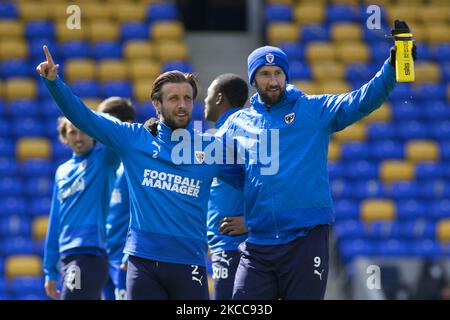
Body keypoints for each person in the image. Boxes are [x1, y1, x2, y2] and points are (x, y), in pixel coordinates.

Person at [215, 21, 417, 300]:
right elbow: (213, 163)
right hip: (259, 244)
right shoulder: (238, 123)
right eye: (264, 74)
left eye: (277, 73)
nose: (272, 81)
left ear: (285, 75)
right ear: (253, 79)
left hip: (305, 240)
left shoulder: (313, 109)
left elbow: (361, 101)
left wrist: (392, 68)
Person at [36, 46, 242, 300]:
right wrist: (54, 83)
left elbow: (256, 183)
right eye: (174, 98)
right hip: (143, 265)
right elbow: (85, 118)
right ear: (157, 104)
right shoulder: (135, 139)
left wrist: (251, 222)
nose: (182, 105)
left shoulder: (212, 149)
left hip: (190, 265)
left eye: (188, 98)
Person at [43, 116, 120, 300]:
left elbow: (117, 132)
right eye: (72, 132)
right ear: (64, 137)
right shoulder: (61, 171)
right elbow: (55, 221)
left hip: (89, 254)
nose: (79, 137)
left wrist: (89, 116)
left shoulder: (104, 160)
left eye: (84, 131)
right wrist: (49, 270)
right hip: (67, 257)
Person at [204, 74, 249, 300]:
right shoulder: (222, 135)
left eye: (209, 94)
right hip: (223, 244)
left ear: (219, 98)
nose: (205, 99)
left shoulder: (232, 136)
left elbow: (267, 183)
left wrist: (251, 221)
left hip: (234, 245)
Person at [97, 98, 136, 300]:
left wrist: (129, 254)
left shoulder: (136, 166)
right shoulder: (105, 167)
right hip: (104, 257)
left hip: (125, 258)